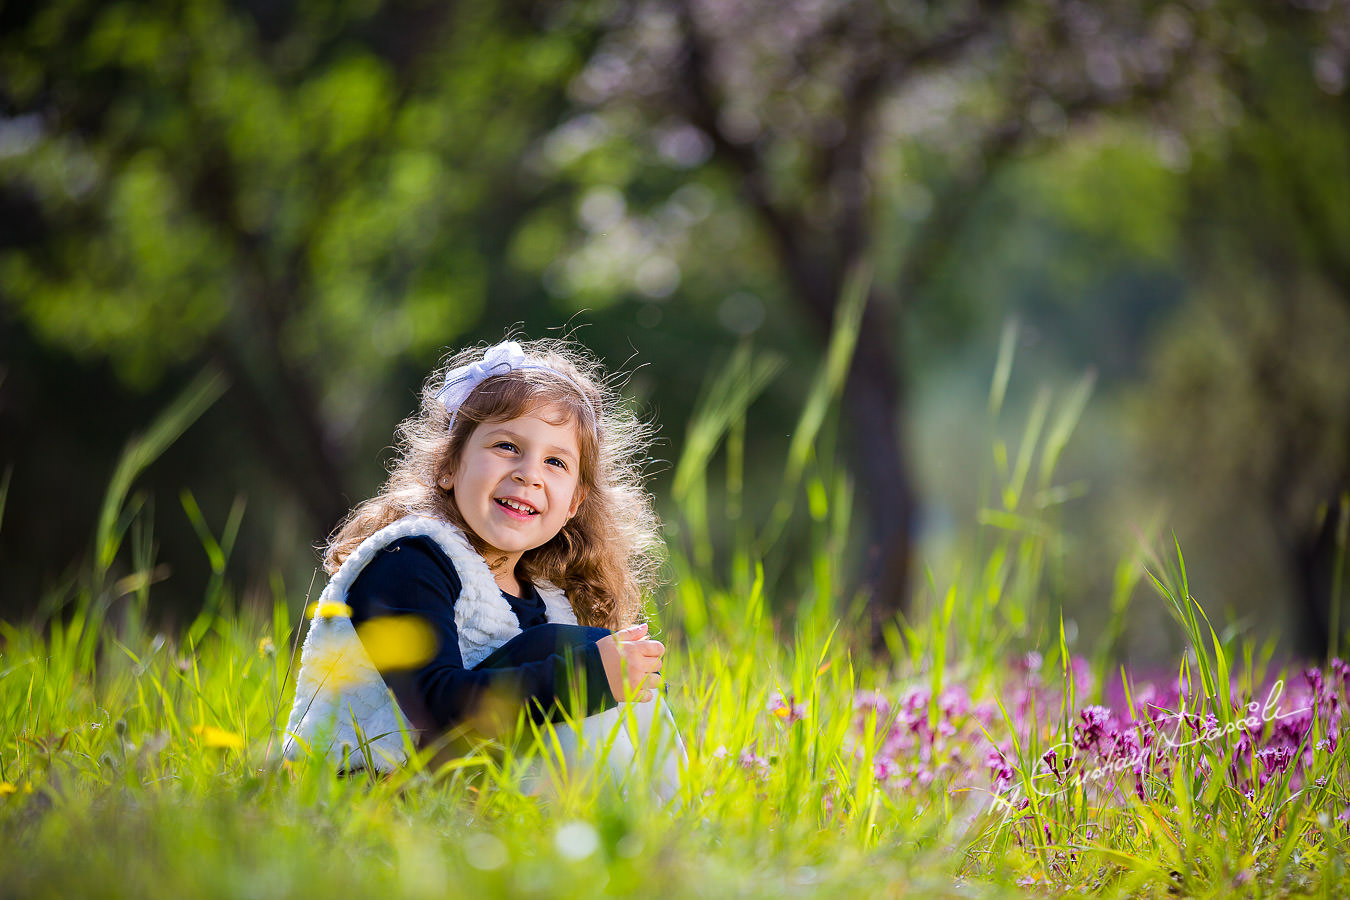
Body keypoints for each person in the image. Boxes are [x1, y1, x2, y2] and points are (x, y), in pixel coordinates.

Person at [283, 338, 683, 796]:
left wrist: (616, 673)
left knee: (603, 655)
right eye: (507, 446)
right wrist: (590, 675)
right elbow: (435, 706)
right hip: (369, 789)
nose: (529, 473)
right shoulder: (406, 560)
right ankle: (629, 818)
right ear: (449, 465)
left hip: (476, 787)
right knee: (573, 656)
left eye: (555, 461)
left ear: (574, 503)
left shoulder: (549, 597)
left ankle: (663, 824)